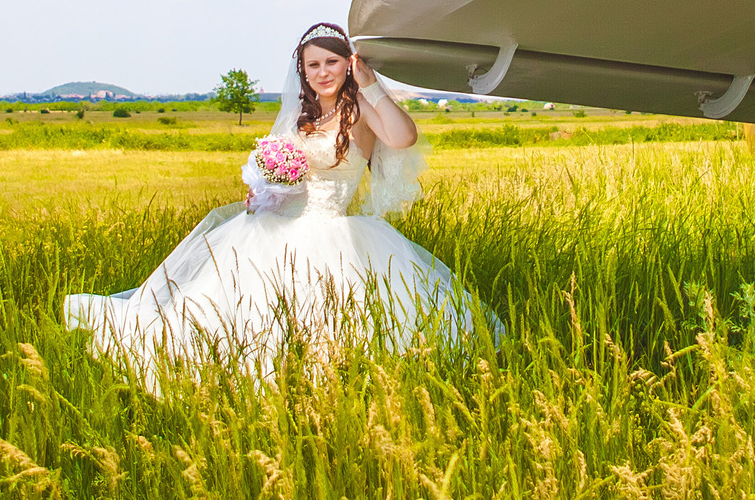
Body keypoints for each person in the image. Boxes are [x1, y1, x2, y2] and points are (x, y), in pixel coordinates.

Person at [65, 23, 487, 375]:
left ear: (349, 64)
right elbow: (283, 171)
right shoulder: (302, 116)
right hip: (276, 223)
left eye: (332, 62)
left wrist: (370, 85)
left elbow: (403, 136)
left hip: (332, 227)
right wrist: (265, 190)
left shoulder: (360, 108)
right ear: (303, 71)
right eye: (314, 65)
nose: (323, 72)